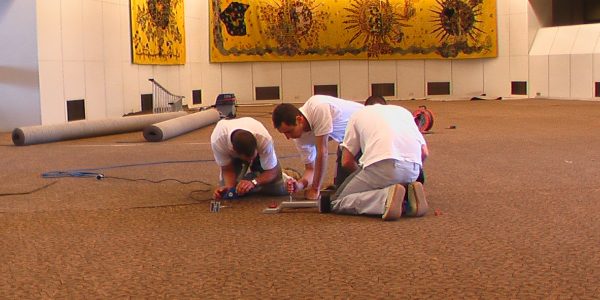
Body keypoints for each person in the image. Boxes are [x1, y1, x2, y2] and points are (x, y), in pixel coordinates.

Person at [321, 103, 429, 221]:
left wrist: (363, 178)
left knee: (337, 201)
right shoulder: (404, 112)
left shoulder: (357, 115)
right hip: (413, 169)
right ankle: (408, 198)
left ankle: (385, 199)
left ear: (366, 105)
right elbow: (424, 153)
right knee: (388, 179)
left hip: (382, 165)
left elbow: (346, 161)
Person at [272, 95, 363, 200]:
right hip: (348, 139)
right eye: (284, 133)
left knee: (351, 170)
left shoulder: (318, 107)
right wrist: (299, 185)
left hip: (367, 128)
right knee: (342, 189)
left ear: (299, 120)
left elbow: (322, 152)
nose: (288, 137)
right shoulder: (299, 137)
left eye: (289, 131)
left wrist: (315, 189)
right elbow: (311, 169)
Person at [210, 117, 287, 199]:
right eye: (248, 159)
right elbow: (227, 169)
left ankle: (286, 173)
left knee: (279, 189)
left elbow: (272, 171)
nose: (250, 161)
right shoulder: (218, 140)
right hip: (233, 155)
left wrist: (254, 182)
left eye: (252, 157)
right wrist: (229, 188)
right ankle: (253, 177)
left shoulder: (263, 138)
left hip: (260, 154)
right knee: (230, 194)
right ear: (234, 151)